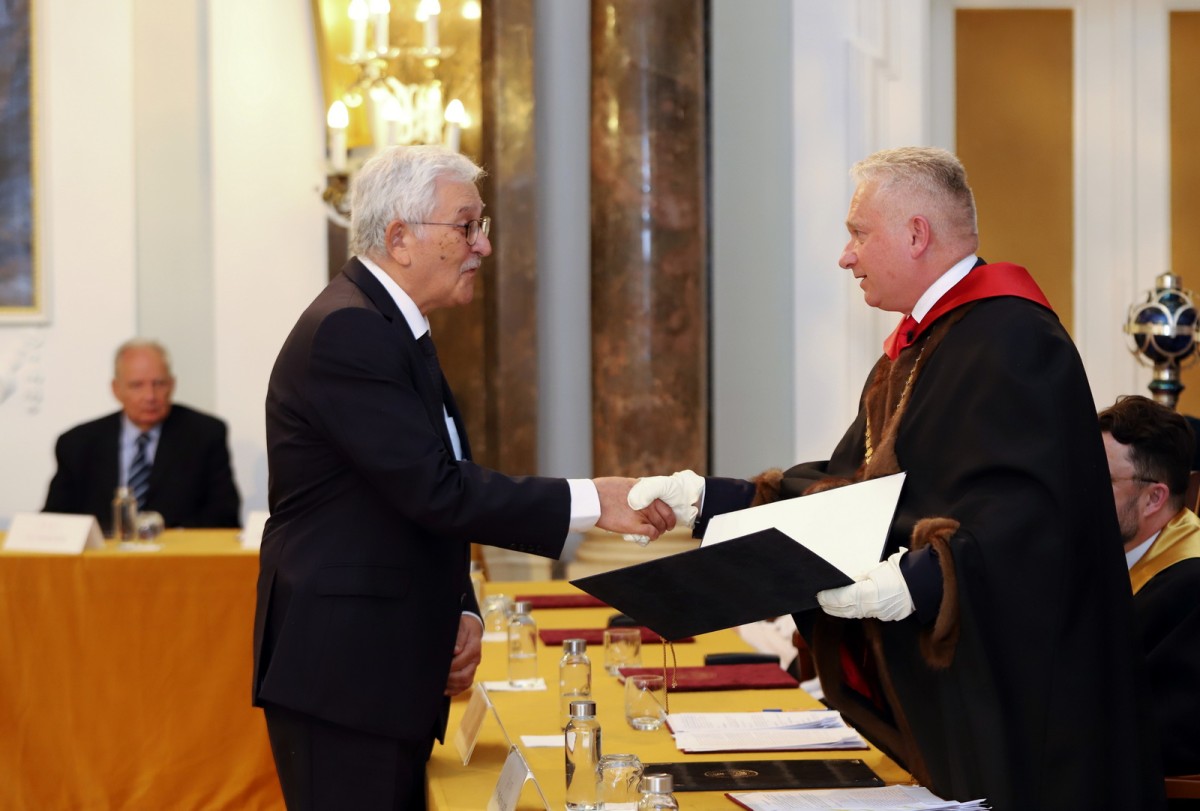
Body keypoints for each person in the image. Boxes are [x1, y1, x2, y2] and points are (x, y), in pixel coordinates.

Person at [629, 147, 1165, 809]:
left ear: (916, 234)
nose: (845, 256)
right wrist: (709, 500)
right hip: (958, 705)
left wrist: (917, 580)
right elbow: (847, 490)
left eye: (858, 233)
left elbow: (1035, 518)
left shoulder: (1015, 337)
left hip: (1033, 719)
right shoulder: (923, 347)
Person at [251, 145, 670, 810]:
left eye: (483, 225)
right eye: (467, 226)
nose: (484, 245)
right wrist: (594, 499)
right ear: (399, 238)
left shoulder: (387, 324)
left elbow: (415, 495)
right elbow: (435, 489)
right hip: (346, 674)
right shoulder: (350, 331)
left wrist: (462, 604)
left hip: (374, 667)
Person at [43, 338, 241, 533]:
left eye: (159, 384)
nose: (150, 396)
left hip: (177, 550)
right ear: (116, 389)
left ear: (172, 385)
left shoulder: (205, 434)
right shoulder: (77, 443)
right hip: (106, 551)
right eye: (137, 385)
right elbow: (54, 522)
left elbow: (225, 516)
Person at [1099, 394, 1200, 777]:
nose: (1080, 492)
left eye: (1102, 479)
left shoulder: (1191, 586)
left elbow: (1169, 736)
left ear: (1153, 498)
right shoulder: (1106, 556)